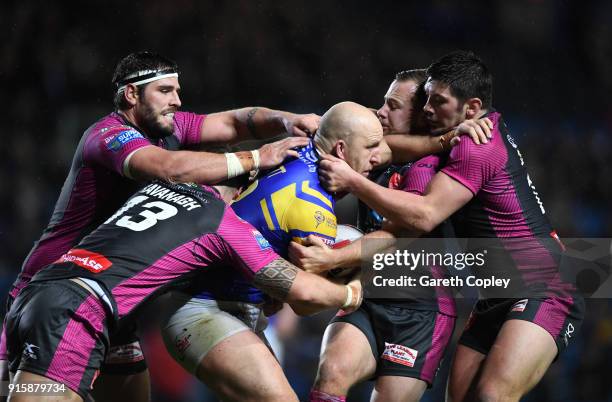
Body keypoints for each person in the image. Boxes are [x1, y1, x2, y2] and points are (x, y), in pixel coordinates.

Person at [0, 50, 316, 402]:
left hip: (109, 303)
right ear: (131, 95)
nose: (177, 101)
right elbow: (169, 167)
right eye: (165, 91)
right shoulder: (107, 137)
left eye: (177, 91)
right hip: (60, 291)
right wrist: (256, 157)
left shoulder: (168, 130)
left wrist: (290, 120)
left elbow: (235, 123)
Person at [310, 50, 584, 402]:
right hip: (494, 294)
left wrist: (353, 179)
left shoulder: (476, 146)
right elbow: (385, 144)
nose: (427, 109)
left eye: (437, 101)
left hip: (544, 285)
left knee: (492, 395)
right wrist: (438, 138)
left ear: (471, 109)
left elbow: (422, 216)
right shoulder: (454, 137)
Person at [4, 179, 363, 402]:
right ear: (241, 192)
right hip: (80, 308)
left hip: (52, 296)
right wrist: (353, 293)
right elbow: (301, 291)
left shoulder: (158, 188)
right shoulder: (223, 220)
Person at [158, 101, 382, 402]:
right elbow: (304, 302)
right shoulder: (312, 206)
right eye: (371, 147)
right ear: (341, 150)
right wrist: (356, 281)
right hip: (203, 310)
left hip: (226, 305)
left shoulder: (291, 150)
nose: (377, 157)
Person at [290, 70, 477, 402]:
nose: (380, 112)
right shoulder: (374, 152)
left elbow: (396, 235)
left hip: (421, 310)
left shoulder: (428, 169)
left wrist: (331, 258)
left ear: (421, 116)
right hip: (367, 293)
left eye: (392, 105)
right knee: (331, 373)